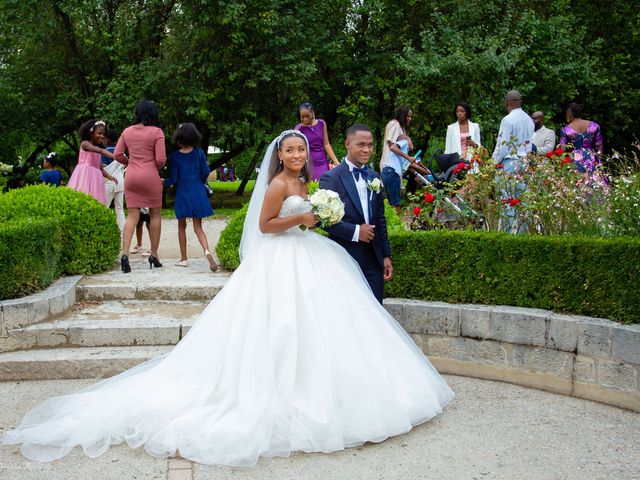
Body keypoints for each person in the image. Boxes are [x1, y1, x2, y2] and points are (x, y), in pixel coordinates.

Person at [3, 129, 454, 466]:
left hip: (310, 255)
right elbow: (264, 226)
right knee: (277, 325)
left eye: (301, 150)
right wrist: (303, 220)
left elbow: (308, 217)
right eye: (290, 150)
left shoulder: (308, 184)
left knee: (328, 321)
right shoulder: (280, 185)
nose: (297, 156)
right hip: (282, 258)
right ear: (279, 155)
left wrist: (315, 216)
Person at [319, 124, 392, 303]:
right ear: (347, 143)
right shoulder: (331, 178)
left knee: (376, 310)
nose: (367, 149)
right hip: (345, 256)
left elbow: (380, 219)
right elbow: (323, 220)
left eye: (370, 145)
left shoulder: (373, 176)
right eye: (361, 144)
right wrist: (356, 231)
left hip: (374, 258)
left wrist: (385, 255)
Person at [114, 99, 167, 273]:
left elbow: (117, 154)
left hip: (131, 176)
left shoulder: (127, 131)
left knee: (132, 216)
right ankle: (154, 255)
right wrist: (152, 167)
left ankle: (125, 255)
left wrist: (130, 162)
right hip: (150, 175)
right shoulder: (157, 132)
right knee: (155, 215)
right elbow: (160, 159)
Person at [164, 123, 218, 272]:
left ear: (179, 138)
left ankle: (184, 258)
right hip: (198, 191)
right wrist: (199, 182)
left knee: (182, 226)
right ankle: (207, 251)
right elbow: (205, 171)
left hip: (182, 193)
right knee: (198, 227)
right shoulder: (199, 152)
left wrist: (163, 182)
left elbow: (173, 179)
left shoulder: (175, 156)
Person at [493, 91, 534, 234]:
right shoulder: (529, 119)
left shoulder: (508, 120)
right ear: (520, 102)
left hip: (509, 163)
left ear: (507, 103)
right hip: (524, 163)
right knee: (522, 203)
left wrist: (493, 163)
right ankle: (522, 234)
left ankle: (506, 234)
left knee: (506, 201)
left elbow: (502, 146)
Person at [67, 119, 118, 205]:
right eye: (99, 133)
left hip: (96, 179)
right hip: (85, 176)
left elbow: (100, 168)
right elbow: (100, 150)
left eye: (104, 135)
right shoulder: (85, 144)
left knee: (94, 201)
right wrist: (114, 156)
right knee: (83, 198)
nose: (101, 136)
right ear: (91, 132)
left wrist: (110, 176)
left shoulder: (97, 149)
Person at [380, 134, 431, 213]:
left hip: (387, 173)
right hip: (391, 172)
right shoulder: (404, 141)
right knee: (396, 203)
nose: (412, 143)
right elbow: (392, 147)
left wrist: (420, 165)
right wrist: (408, 157)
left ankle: (392, 221)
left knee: (392, 202)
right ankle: (398, 223)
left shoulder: (401, 155)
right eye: (411, 140)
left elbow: (412, 167)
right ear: (407, 139)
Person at [294, 101, 340, 180]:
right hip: (308, 163)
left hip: (322, 162)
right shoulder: (298, 128)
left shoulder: (321, 124)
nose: (305, 119)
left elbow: (326, 144)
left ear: (313, 113)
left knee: (324, 184)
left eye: (307, 116)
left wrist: (336, 161)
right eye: (302, 117)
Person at [560, 102, 603, 173]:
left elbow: (562, 150)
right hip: (592, 159)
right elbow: (599, 147)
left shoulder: (565, 130)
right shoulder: (594, 126)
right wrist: (598, 163)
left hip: (574, 160)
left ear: (569, 113)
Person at [102, 129, 126, 235]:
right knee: (119, 208)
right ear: (117, 141)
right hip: (120, 183)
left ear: (106, 140)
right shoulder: (122, 154)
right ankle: (123, 233)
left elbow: (102, 168)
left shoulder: (104, 153)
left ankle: (106, 231)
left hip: (108, 183)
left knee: (104, 207)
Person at [380, 106, 413, 173]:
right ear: (402, 116)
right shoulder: (394, 124)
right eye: (408, 116)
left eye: (411, 117)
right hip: (389, 165)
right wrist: (408, 158)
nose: (410, 119)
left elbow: (409, 147)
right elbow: (392, 147)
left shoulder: (402, 129)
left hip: (396, 166)